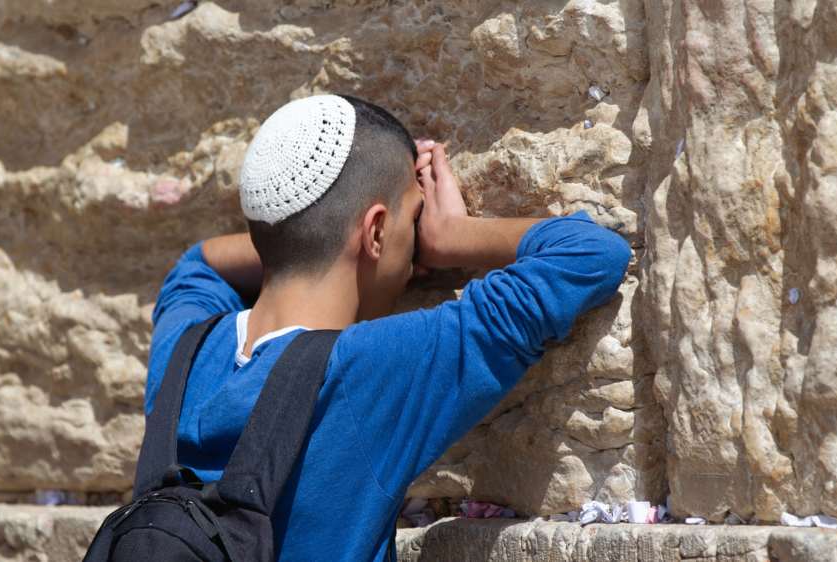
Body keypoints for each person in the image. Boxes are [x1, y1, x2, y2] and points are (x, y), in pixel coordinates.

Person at [146, 94, 631, 561]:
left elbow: (198, 264)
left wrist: (304, 230)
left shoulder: (183, 349)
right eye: (415, 219)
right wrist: (452, 238)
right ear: (376, 231)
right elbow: (591, 254)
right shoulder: (371, 367)